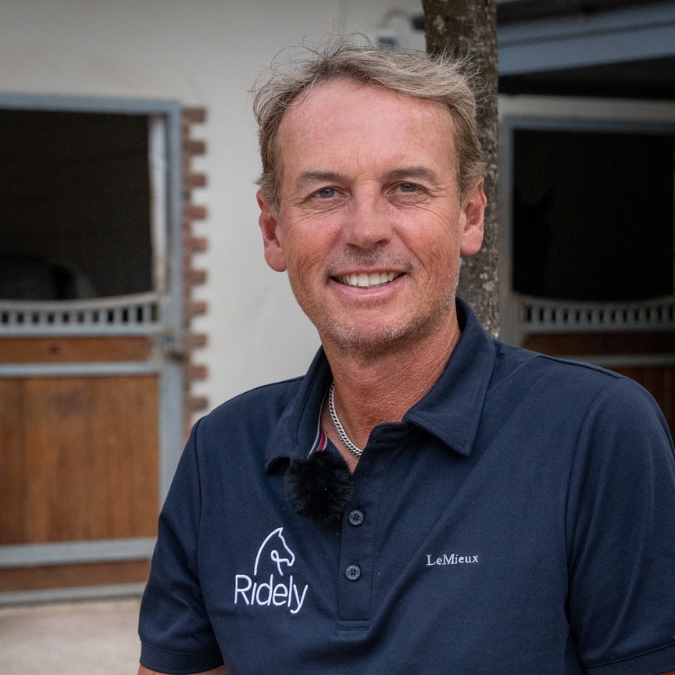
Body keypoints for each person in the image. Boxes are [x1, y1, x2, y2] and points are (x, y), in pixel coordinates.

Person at [138, 41, 675, 675]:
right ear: (274, 230)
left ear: (469, 216)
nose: (366, 230)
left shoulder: (596, 432)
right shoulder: (222, 453)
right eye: (327, 193)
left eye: (407, 188)